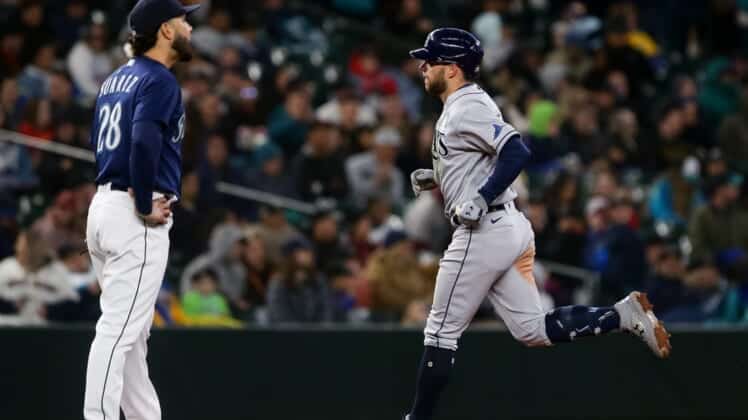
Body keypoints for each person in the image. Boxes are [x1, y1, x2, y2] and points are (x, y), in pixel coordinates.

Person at [403, 28, 672, 420]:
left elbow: (516, 151)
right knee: (533, 330)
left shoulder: (467, 106)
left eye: (431, 59)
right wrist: (439, 176)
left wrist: (477, 197)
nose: (423, 65)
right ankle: (620, 315)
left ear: (454, 68)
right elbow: (480, 159)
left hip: (484, 233)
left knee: (440, 332)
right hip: (507, 227)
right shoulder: (461, 105)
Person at [82, 1, 199, 419]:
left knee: (132, 335)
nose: (190, 25)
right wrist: (146, 199)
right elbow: (144, 139)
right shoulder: (159, 79)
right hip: (135, 213)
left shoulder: (116, 78)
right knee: (118, 330)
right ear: (165, 30)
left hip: (106, 205)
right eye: (184, 19)